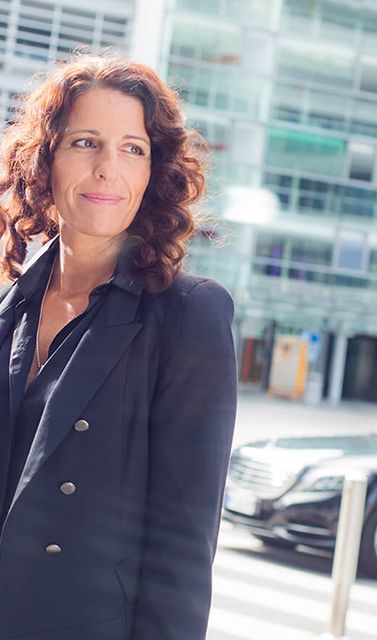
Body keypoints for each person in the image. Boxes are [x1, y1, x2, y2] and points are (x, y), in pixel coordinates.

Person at [0, 54, 237, 639]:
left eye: (133, 148)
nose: (109, 169)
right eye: (85, 142)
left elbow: (184, 542)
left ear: (154, 171)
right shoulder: (10, 307)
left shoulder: (189, 315)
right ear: (45, 160)